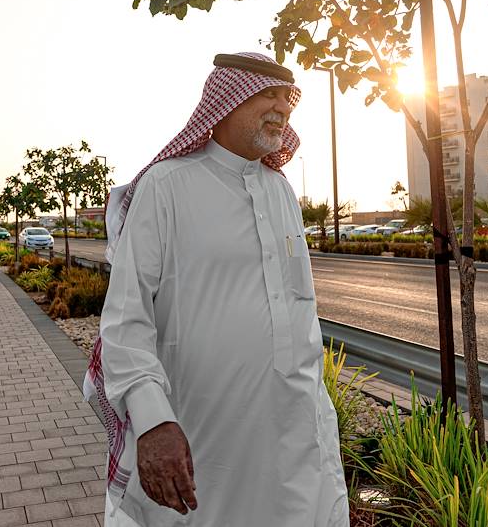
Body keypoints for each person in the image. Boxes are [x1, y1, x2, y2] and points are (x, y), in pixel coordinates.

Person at [85, 52, 348, 526]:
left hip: (293, 430)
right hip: (200, 427)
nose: (281, 107)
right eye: (266, 94)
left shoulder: (281, 191)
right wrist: (152, 421)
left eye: (287, 98)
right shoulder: (167, 186)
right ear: (227, 98)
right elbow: (126, 320)